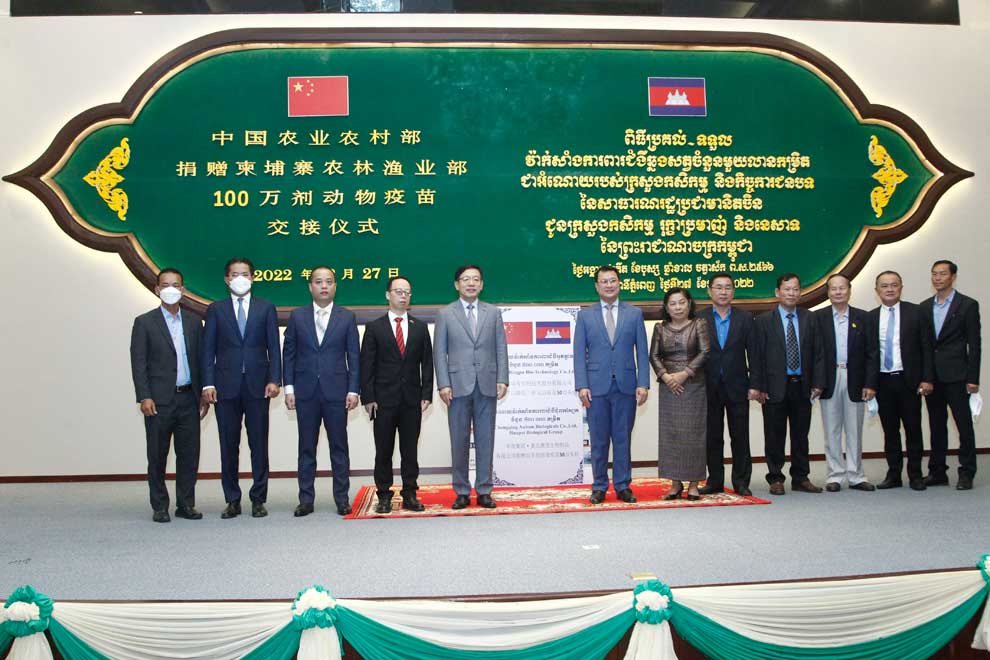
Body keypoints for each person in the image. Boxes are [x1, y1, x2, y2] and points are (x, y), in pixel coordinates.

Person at [202, 258, 281, 519]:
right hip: (225, 387)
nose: (240, 278)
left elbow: (274, 347)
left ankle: (258, 499)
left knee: (259, 444)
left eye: (245, 274)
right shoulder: (216, 309)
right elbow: (208, 349)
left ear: (253, 278)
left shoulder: (266, 308)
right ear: (227, 279)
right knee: (228, 445)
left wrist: (274, 379)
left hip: (259, 387)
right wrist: (208, 383)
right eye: (235, 274)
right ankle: (232, 500)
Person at [129, 268, 208, 522]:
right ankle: (160, 506)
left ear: (182, 290)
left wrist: (203, 393)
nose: (171, 289)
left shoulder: (194, 322)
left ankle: (186, 504)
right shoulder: (144, 322)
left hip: (188, 398)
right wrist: (144, 396)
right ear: (157, 289)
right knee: (157, 455)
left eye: (176, 285)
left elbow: (201, 360)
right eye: (165, 285)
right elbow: (139, 363)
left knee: (189, 455)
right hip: (158, 400)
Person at [283, 266, 360, 516]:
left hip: (337, 392)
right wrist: (289, 388)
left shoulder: (346, 317)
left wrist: (353, 390)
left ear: (335, 286)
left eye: (328, 282)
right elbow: (289, 354)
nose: (324, 286)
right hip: (305, 392)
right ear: (310, 286)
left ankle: (342, 499)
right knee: (306, 448)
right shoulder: (297, 316)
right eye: (318, 281)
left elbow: (354, 356)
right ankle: (306, 499)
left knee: (339, 448)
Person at [573, 265, 650, 505]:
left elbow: (642, 351)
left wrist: (644, 383)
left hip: (626, 386)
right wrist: (581, 384)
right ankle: (599, 486)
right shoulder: (585, 315)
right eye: (604, 281)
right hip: (595, 387)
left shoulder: (634, 314)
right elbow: (579, 353)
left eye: (613, 280)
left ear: (619, 283)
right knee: (598, 440)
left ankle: (623, 485)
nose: (609, 285)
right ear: (597, 286)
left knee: (622, 439)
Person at [434, 265, 508, 509]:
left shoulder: (493, 313)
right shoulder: (445, 314)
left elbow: (500, 348)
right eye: (466, 279)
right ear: (457, 284)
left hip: (487, 383)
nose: (471, 283)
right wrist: (443, 383)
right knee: (459, 440)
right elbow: (439, 352)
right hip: (456, 386)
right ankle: (462, 491)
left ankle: (484, 490)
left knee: (486, 439)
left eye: (476, 279)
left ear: (482, 284)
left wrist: (503, 378)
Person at [360, 276, 433, 514]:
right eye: (399, 291)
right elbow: (366, 366)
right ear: (388, 295)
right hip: (383, 401)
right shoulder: (374, 327)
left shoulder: (420, 327)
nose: (403, 296)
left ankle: (410, 493)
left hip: (412, 400)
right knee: (383, 451)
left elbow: (427, 364)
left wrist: (427, 393)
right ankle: (383, 495)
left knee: (409, 451)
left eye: (407, 292)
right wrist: (368, 397)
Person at [750, 273, 825, 495]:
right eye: (787, 289)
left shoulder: (810, 318)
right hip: (773, 387)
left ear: (800, 292)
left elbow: (819, 353)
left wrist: (818, 383)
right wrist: (759, 386)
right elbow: (756, 357)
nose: (791, 293)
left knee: (801, 435)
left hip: (802, 385)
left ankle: (801, 477)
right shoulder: (763, 321)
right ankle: (775, 478)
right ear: (777, 292)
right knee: (774, 435)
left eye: (795, 289)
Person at [814, 273, 879, 492]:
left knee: (854, 430)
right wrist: (817, 382)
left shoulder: (863, 317)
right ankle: (835, 476)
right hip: (829, 379)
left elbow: (872, 353)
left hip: (856, 379)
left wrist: (870, 383)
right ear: (828, 292)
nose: (838, 292)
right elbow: (815, 353)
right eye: (833, 288)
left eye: (842, 288)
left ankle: (856, 475)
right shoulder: (818, 318)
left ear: (849, 290)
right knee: (831, 430)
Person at [920, 260, 981, 490]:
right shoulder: (925, 307)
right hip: (932, 377)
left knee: (963, 426)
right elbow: (925, 345)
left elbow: (975, 344)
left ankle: (967, 472)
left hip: (958, 375)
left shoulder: (967, 305)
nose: (937, 278)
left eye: (942, 274)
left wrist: (973, 378)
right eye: (934, 274)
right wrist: (925, 377)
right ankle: (937, 472)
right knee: (936, 426)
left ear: (953, 277)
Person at [869, 271, 933, 491]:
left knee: (913, 429)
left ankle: (915, 474)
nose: (889, 289)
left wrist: (927, 378)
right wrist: (869, 384)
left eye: (894, 285)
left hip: (909, 381)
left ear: (901, 288)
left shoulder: (916, 312)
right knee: (890, 431)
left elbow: (927, 347)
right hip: (883, 381)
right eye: (884, 286)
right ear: (877, 290)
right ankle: (893, 474)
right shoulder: (871, 317)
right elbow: (870, 354)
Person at [650, 288, 710, 500]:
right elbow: (654, 355)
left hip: (693, 386)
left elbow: (705, 351)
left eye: (681, 302)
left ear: (689, 304)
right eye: (673, 303)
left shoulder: (698, 324)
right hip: (669, 387)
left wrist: (685, 373)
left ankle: (693, 484)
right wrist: (666, 377)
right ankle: (675, 484)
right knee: (671, 435)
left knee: (694, 435)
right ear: (666, 307)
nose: (677, 307)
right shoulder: (660, 328)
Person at [699, 273, 755, 496]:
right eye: (718, 287)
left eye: (728, 287)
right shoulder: (699, 318)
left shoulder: (745, 318)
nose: (723, 292)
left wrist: (755, 384)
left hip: (738, 385)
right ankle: (714, 481)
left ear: (733, 291)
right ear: (709, 291)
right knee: (712, 436)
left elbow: (754, 354)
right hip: (708, 385)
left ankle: (741, 481)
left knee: (740, 435)